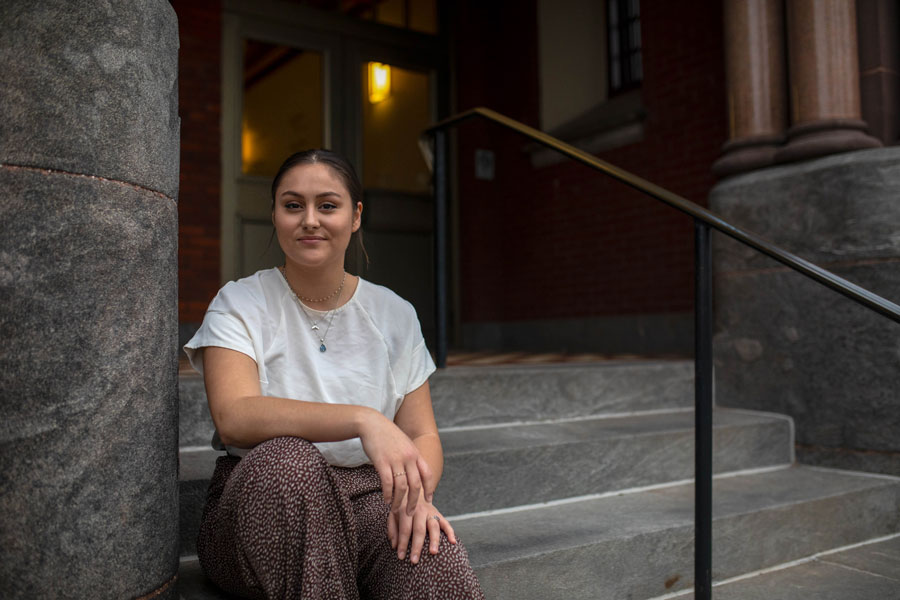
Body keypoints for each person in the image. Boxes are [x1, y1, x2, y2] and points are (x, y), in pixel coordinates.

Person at [184, 149, 484, 599]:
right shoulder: (240, 302)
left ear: (356, 215)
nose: (309, 220)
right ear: (274, 214)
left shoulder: (394, 313)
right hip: (262, 501)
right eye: (292, 205)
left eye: (327, 205)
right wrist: (364, 419)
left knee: (435, 563)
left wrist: (416, 498)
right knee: (289, 462)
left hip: (368, 500)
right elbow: (235, 415)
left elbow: (422, 435)